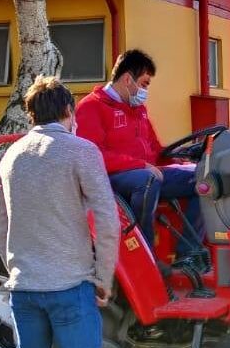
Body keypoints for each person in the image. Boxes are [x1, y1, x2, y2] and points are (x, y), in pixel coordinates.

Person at [0, 76, 119, 348]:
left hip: (25, 290)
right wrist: (104, 275)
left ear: (31, 115)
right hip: (71, 287)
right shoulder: (81, 151)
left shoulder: (10, 158)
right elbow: (108, 219)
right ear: (68, 112)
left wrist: (18, 268)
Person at [75, 49, 206, 267]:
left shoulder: (138, 109)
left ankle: (189, 254)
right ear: (127, 79)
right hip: (111, 180)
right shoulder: (91, 107)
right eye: (144, 84)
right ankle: (145, 257)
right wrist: (141, 164)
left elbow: (155, 149)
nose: (145, 91)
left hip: (146, 174)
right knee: (147, 181)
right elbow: (93, 156)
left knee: (204, 179)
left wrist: (180, 162)